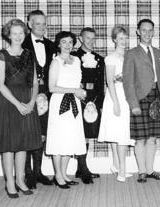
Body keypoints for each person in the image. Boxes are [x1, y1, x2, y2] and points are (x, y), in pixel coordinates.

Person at [0, 19, 42, 198]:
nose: (18, 36)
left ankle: (20, 180)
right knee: (8, 145)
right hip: (8, 102)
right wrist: (18, 104)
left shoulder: (28, 54)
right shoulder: (2, 55)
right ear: (8, 35)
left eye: (21, 33)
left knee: (23, 144)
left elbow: (35, 82)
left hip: (27, 101)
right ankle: (10, 183)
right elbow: (0, 85)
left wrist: (32, 102)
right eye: (15, 33)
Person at [123, 19, 160, 183]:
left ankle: (150, 170)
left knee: (153, 137)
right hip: (140, 98)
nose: (147, 33)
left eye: (150, 30)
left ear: (153, 32)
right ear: (138, 32)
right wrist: (133, 104)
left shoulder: (159, 53)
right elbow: (128, 82)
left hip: (157, 97)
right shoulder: (131, 53)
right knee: (140, 138)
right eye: (144, 30)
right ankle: (141, 171)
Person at [45, 31, 86, 189]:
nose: (68, 45)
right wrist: (73, 90)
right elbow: (51, 87)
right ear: (59, 44)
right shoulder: (56, 62)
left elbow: (77, 82)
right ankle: (58, 175)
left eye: (70, 42)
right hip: (60, 103)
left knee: (70, 138)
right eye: (64, 42)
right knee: (59, 138)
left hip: (74, 102)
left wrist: (80, 90)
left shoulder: (76, 60)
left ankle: (64, 173)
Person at [22, 10, 55, 189]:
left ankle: (38, 172)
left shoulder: (50, 45)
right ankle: (28, 174)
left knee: (42, 132)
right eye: (38, 23)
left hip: (47, 93)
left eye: (44, 23)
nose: (42, 27)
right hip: (27, 93)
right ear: (29, 24)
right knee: (28, 132)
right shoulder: (22, 43)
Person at [98, 25, 134, 182]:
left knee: (119, 132)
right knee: (120, 134)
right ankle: (122, 170)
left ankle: (116, 165)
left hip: (127, 95)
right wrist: (116, 103)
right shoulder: (111, 58)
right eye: (120, 38)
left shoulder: (129, 56)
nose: (124, 41)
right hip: (116, 96)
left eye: (125, 38)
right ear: (114, 39)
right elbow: (110, 82)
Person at [71, 27, 105, 184]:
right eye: (88, 38)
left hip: (94, 97)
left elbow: (100, 84)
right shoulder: (73, 57)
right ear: (81, 39)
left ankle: (80, 168)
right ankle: (84, 169)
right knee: (79, 132)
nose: (91, 41)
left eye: (93, 38)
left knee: (88, 132)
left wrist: (100, 102)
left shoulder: (99, 58)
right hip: (78, 96)